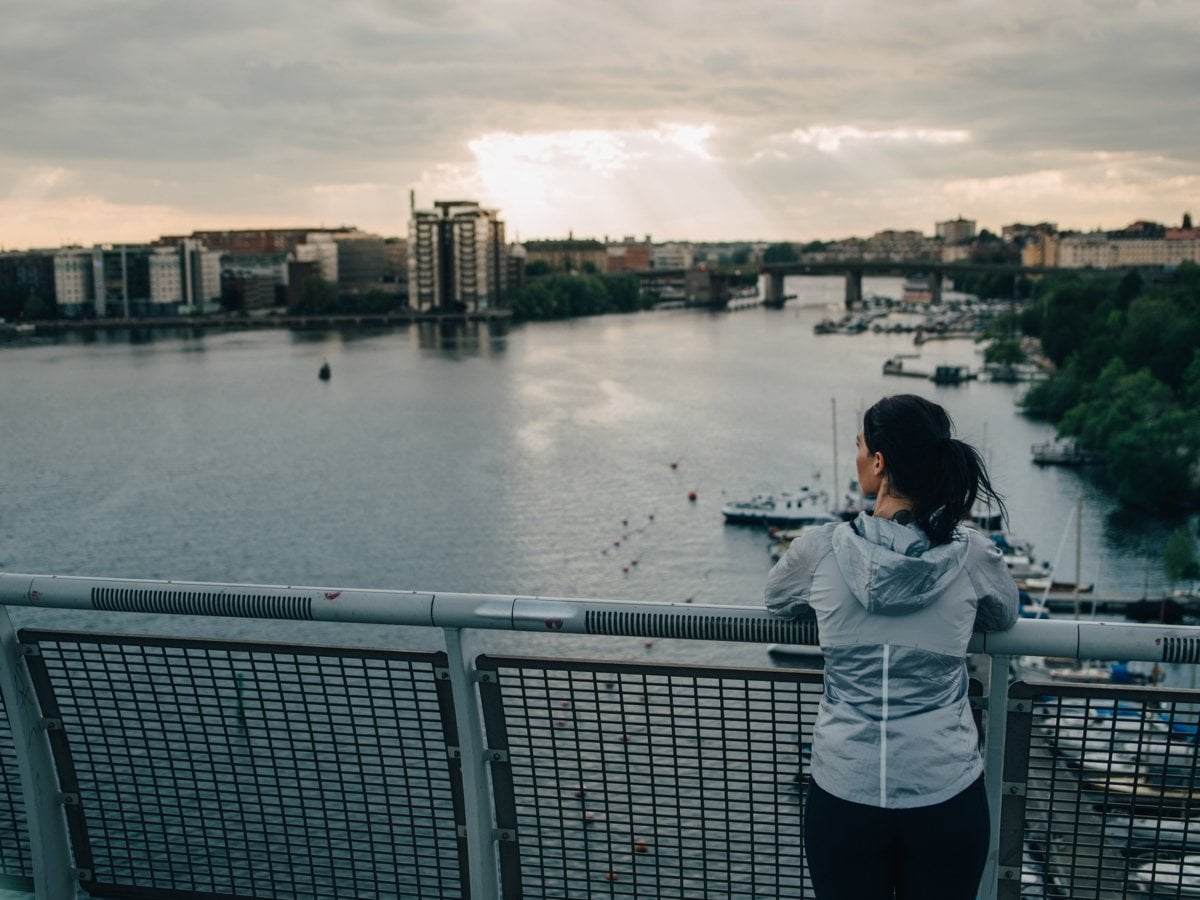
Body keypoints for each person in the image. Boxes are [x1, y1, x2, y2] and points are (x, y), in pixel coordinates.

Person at [764, 394, 1018, 899]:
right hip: (944, 788)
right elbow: (1002, 615)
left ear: (878, 463)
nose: (858, 454)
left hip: (845, 788)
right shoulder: (971, 557)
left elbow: (778, 600)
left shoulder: (821, 550)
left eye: (860, 445)